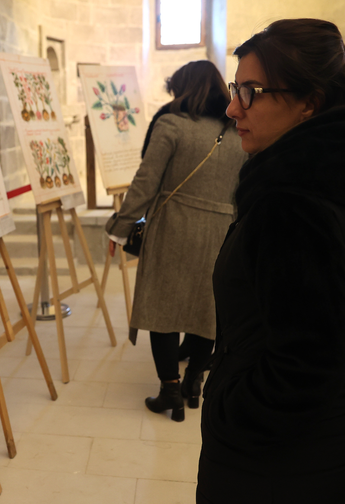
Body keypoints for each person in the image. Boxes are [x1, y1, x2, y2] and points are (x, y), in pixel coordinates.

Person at [198, 19, 345, 503]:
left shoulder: (291, 204)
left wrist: (230, 409)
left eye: (251, 92)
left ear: (310, 101)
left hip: (279, 465)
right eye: (235, 88)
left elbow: (305, 366)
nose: (232, 108)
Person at [105, 60, 246, 422]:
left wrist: (119, 227)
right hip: (221, 231)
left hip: (172, 227)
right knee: (206, 310)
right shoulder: (238, 133)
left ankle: (170, 390)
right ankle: (194, 382)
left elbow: (145, 184)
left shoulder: (171, 125)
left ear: (182, 89)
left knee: (162, 310)